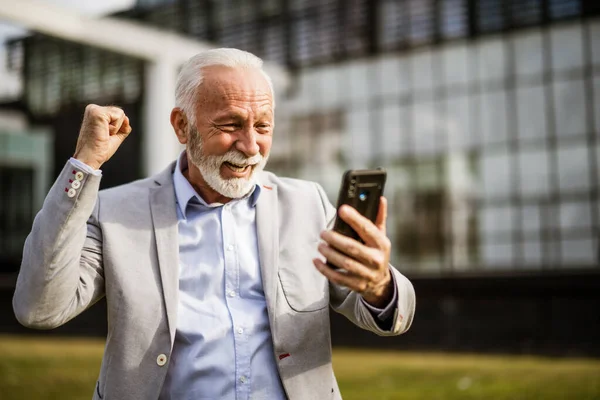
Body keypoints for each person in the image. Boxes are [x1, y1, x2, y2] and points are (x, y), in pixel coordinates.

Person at [13, 48, 415, 400]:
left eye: (262, 126)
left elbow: (388, 313)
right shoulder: (115, 211)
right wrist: (84, 165)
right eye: (231, 125)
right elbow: (39, 309)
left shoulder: (307, 203)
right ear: (181, 126)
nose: (251, 147)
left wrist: (379, 285)